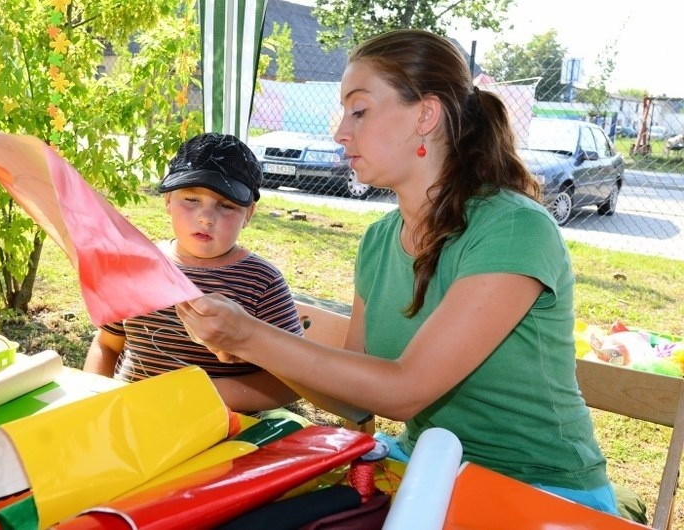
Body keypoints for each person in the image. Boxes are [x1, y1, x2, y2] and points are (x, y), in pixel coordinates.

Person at [175, 29, 621, 516]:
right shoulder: (379, 240)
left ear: (426, 115)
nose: (340, 132)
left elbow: (405, 391)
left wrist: (251, 336)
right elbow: (355, 402)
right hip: (427, 474)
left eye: (359, 110)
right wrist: (246, 339)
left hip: (539, 492)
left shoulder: (514, 229)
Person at [83, 132, 303, 415]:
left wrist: (197, 396)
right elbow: (107, 344)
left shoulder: (262, 282)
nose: (206, 217)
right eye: (190, 199)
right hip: (133, 422)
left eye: (226, 205)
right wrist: (93, 400)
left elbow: (289, 381)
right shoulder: (137, 265)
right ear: (167, 201)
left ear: (248, 214)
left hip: (221, 436)